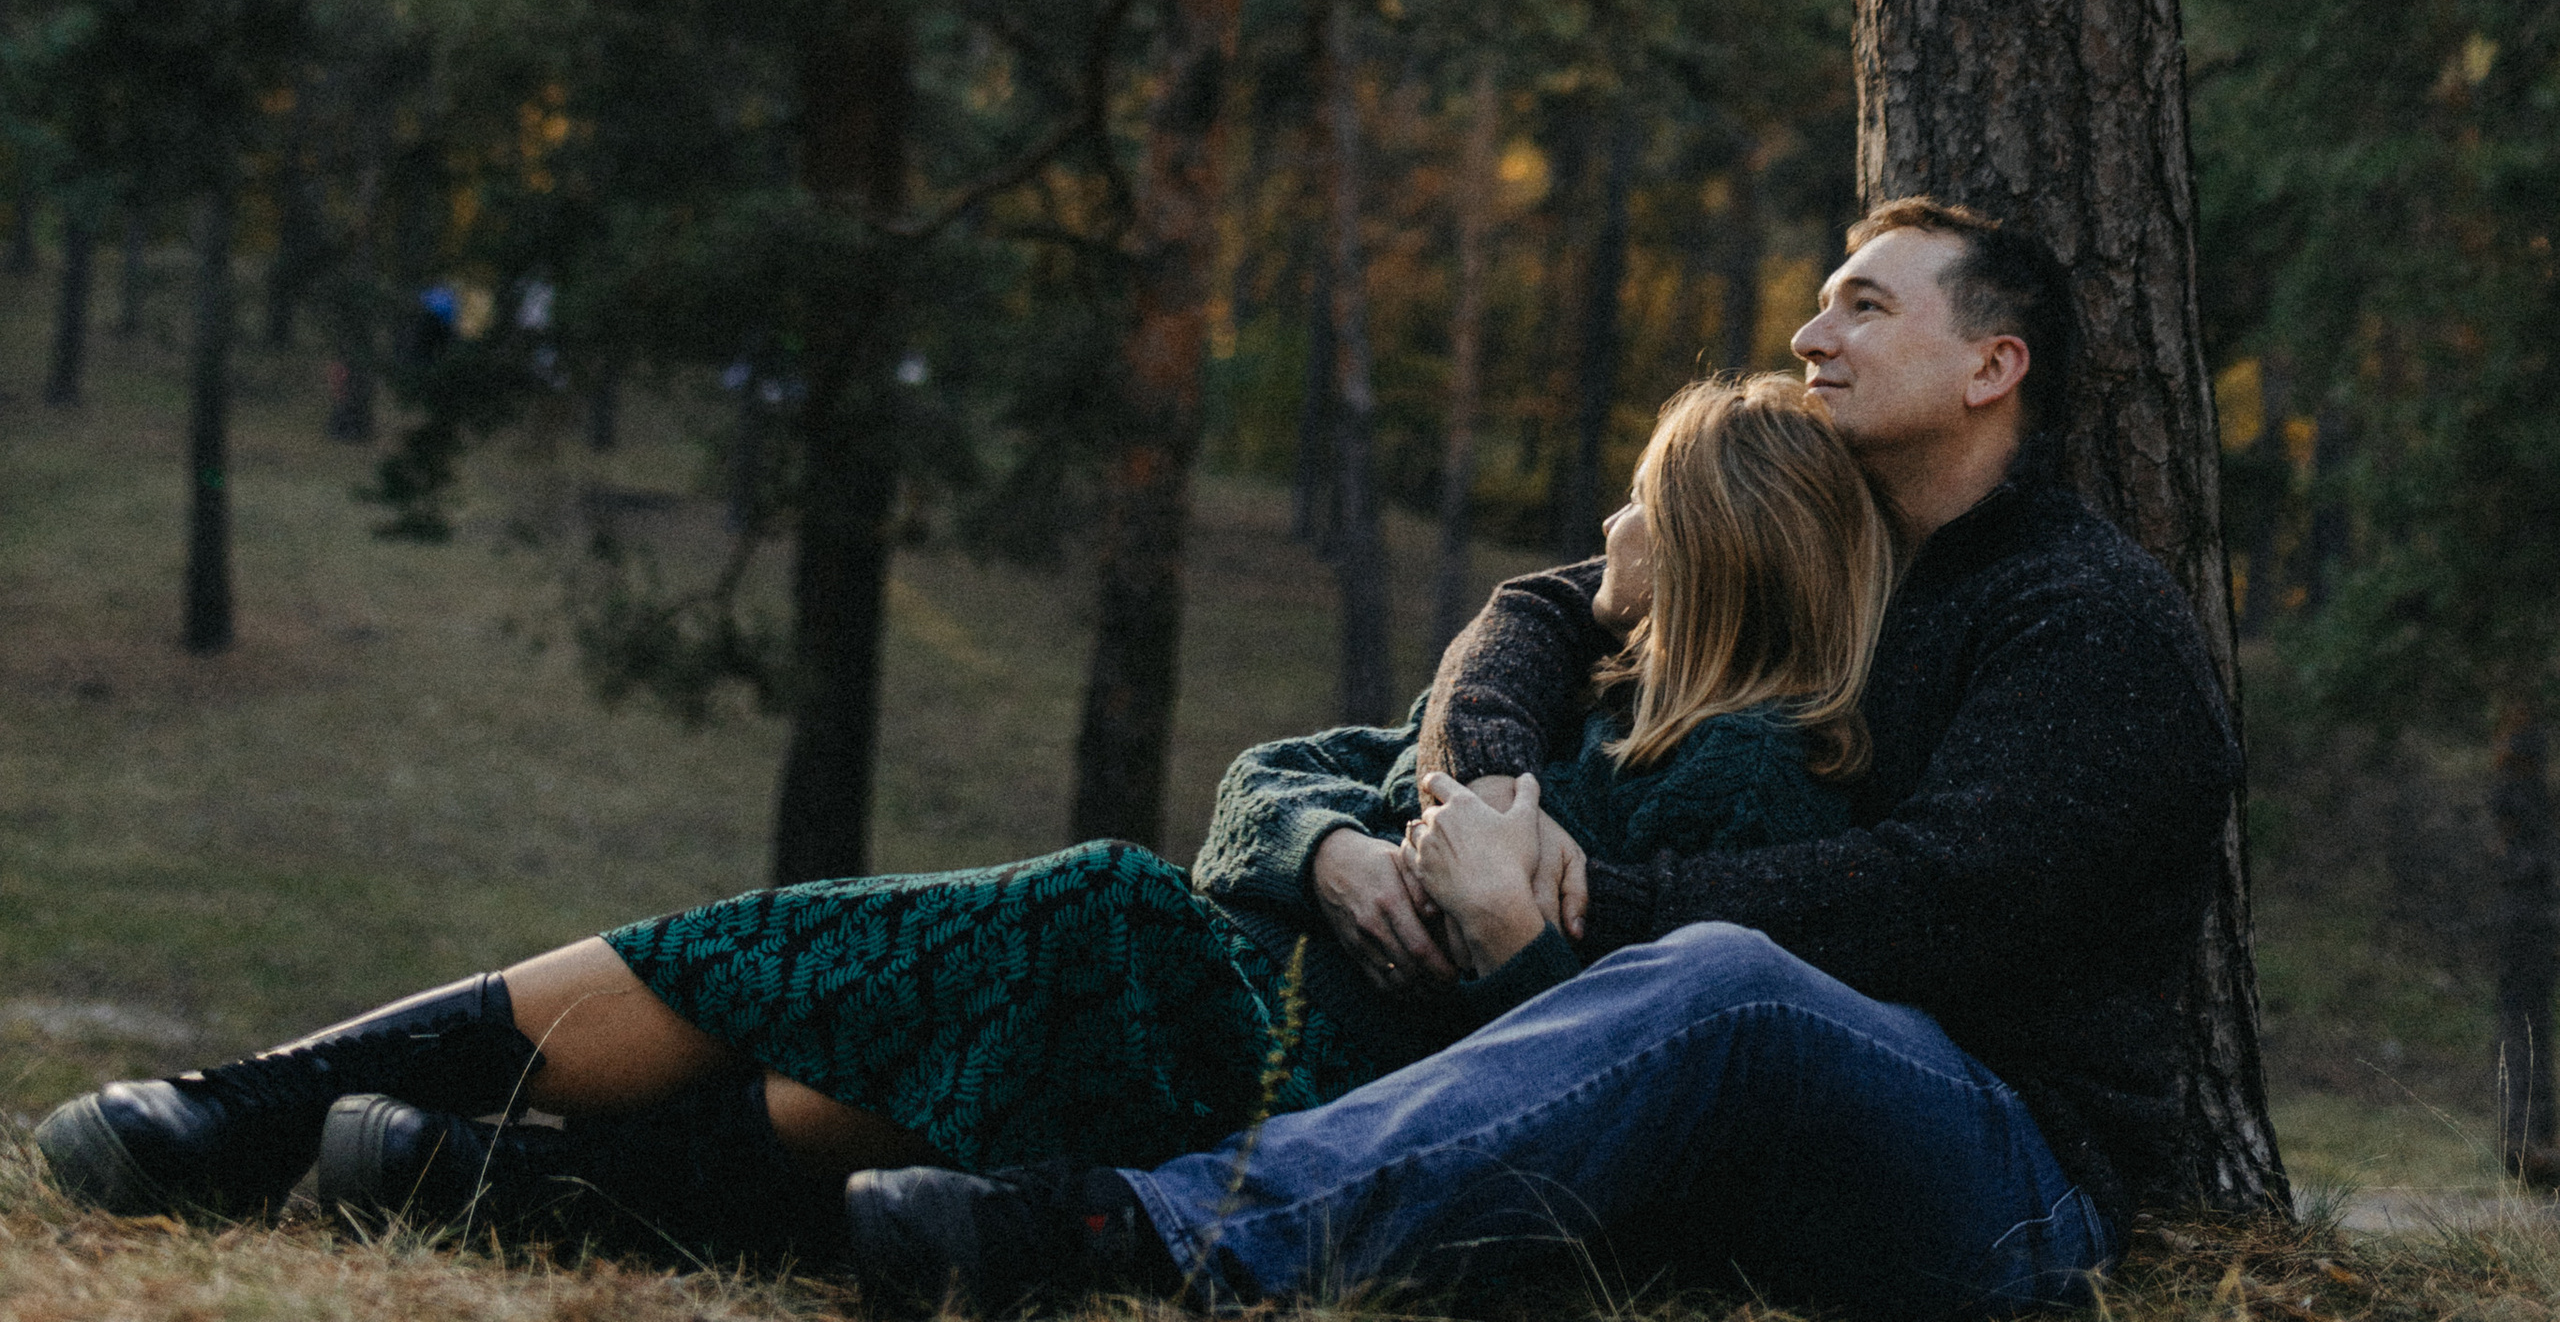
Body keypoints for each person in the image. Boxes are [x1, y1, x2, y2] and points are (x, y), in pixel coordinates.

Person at [34, 369, 1887, 1264]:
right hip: (1237, 998)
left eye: (1640, 501)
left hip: (1327, 1090)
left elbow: (1611, 1015)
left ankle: (284, 1121)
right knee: (939, 998)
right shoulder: (1552, 694)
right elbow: (1272, 778)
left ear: (1712, 543)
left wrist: (1485, 910)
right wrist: (1331, 850)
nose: (1605, 529)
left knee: (1064, 918)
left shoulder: (1752, 763)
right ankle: (434, 1167)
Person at [837, 196, 2246, 1322]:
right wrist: (1496, 798)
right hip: (1770, 1119)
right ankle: (754, 1158)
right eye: (1824, 301)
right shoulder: (1841, 551)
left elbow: (1938, 900)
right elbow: (1540, 611)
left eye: (1864, 307)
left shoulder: (2086, 618)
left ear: (1993, 368)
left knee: (1728, 984)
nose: (1810, 334)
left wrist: (1581, 900)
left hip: (2006, 1171)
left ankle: (1138, 1234)